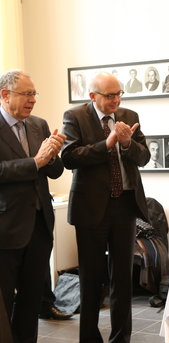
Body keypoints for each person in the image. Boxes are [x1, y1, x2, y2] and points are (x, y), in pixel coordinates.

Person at [61, 72, 150, 342]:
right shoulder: (75, 117)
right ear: (92, 96)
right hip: (90, 208)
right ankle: (89, 337)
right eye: (110, 95)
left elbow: (144, 156)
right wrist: (107, 143)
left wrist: (126, 143)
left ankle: (121, 337)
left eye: (119, 93)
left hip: (124, 204)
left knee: (122, 279)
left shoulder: (130, 115)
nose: (116, 100)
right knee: (91, 279)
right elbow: (69, 157)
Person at [0, 69, 65, 342]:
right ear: (5, 95)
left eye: (34, 94)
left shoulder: (38, 124)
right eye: (27, 94)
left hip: (39, 227)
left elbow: (55, 171)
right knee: (4, 305)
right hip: (7, 229)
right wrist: (35, 162)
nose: (33, 100)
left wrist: (52, 156)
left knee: (31, 301)